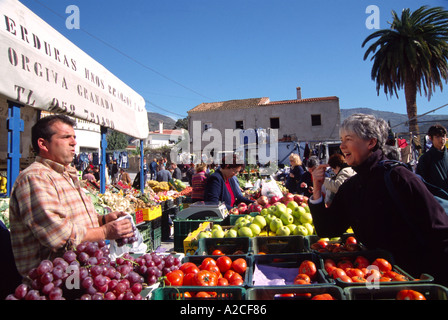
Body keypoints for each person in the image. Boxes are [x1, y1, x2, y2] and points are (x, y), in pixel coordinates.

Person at [308, 113, 448, 286]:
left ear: (371, 142)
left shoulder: (399, 177)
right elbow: (328, 229)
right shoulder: (350, 187)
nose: (342, 146)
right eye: (341, 139)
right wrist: (316, 190)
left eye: (348, 139)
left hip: (416, 280)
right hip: (377, 280)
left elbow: (440, 231)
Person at [9, 114, 134, 278]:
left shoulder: (65, 175)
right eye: (66, 137)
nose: (74, 142)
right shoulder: (35, 177)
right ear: (43, 144)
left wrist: (103, 220)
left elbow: (76, 220)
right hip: (55, 284)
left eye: (74, 137)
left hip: (80, 276)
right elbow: (57, 235)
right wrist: (104, 232)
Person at [416, 124, 448, 194]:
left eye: (443, 136)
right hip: (437, 199)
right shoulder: (425, 159)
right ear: (431, 138)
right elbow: (421, 182)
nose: (441, 139)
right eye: (437, 137)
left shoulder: (447, 155)